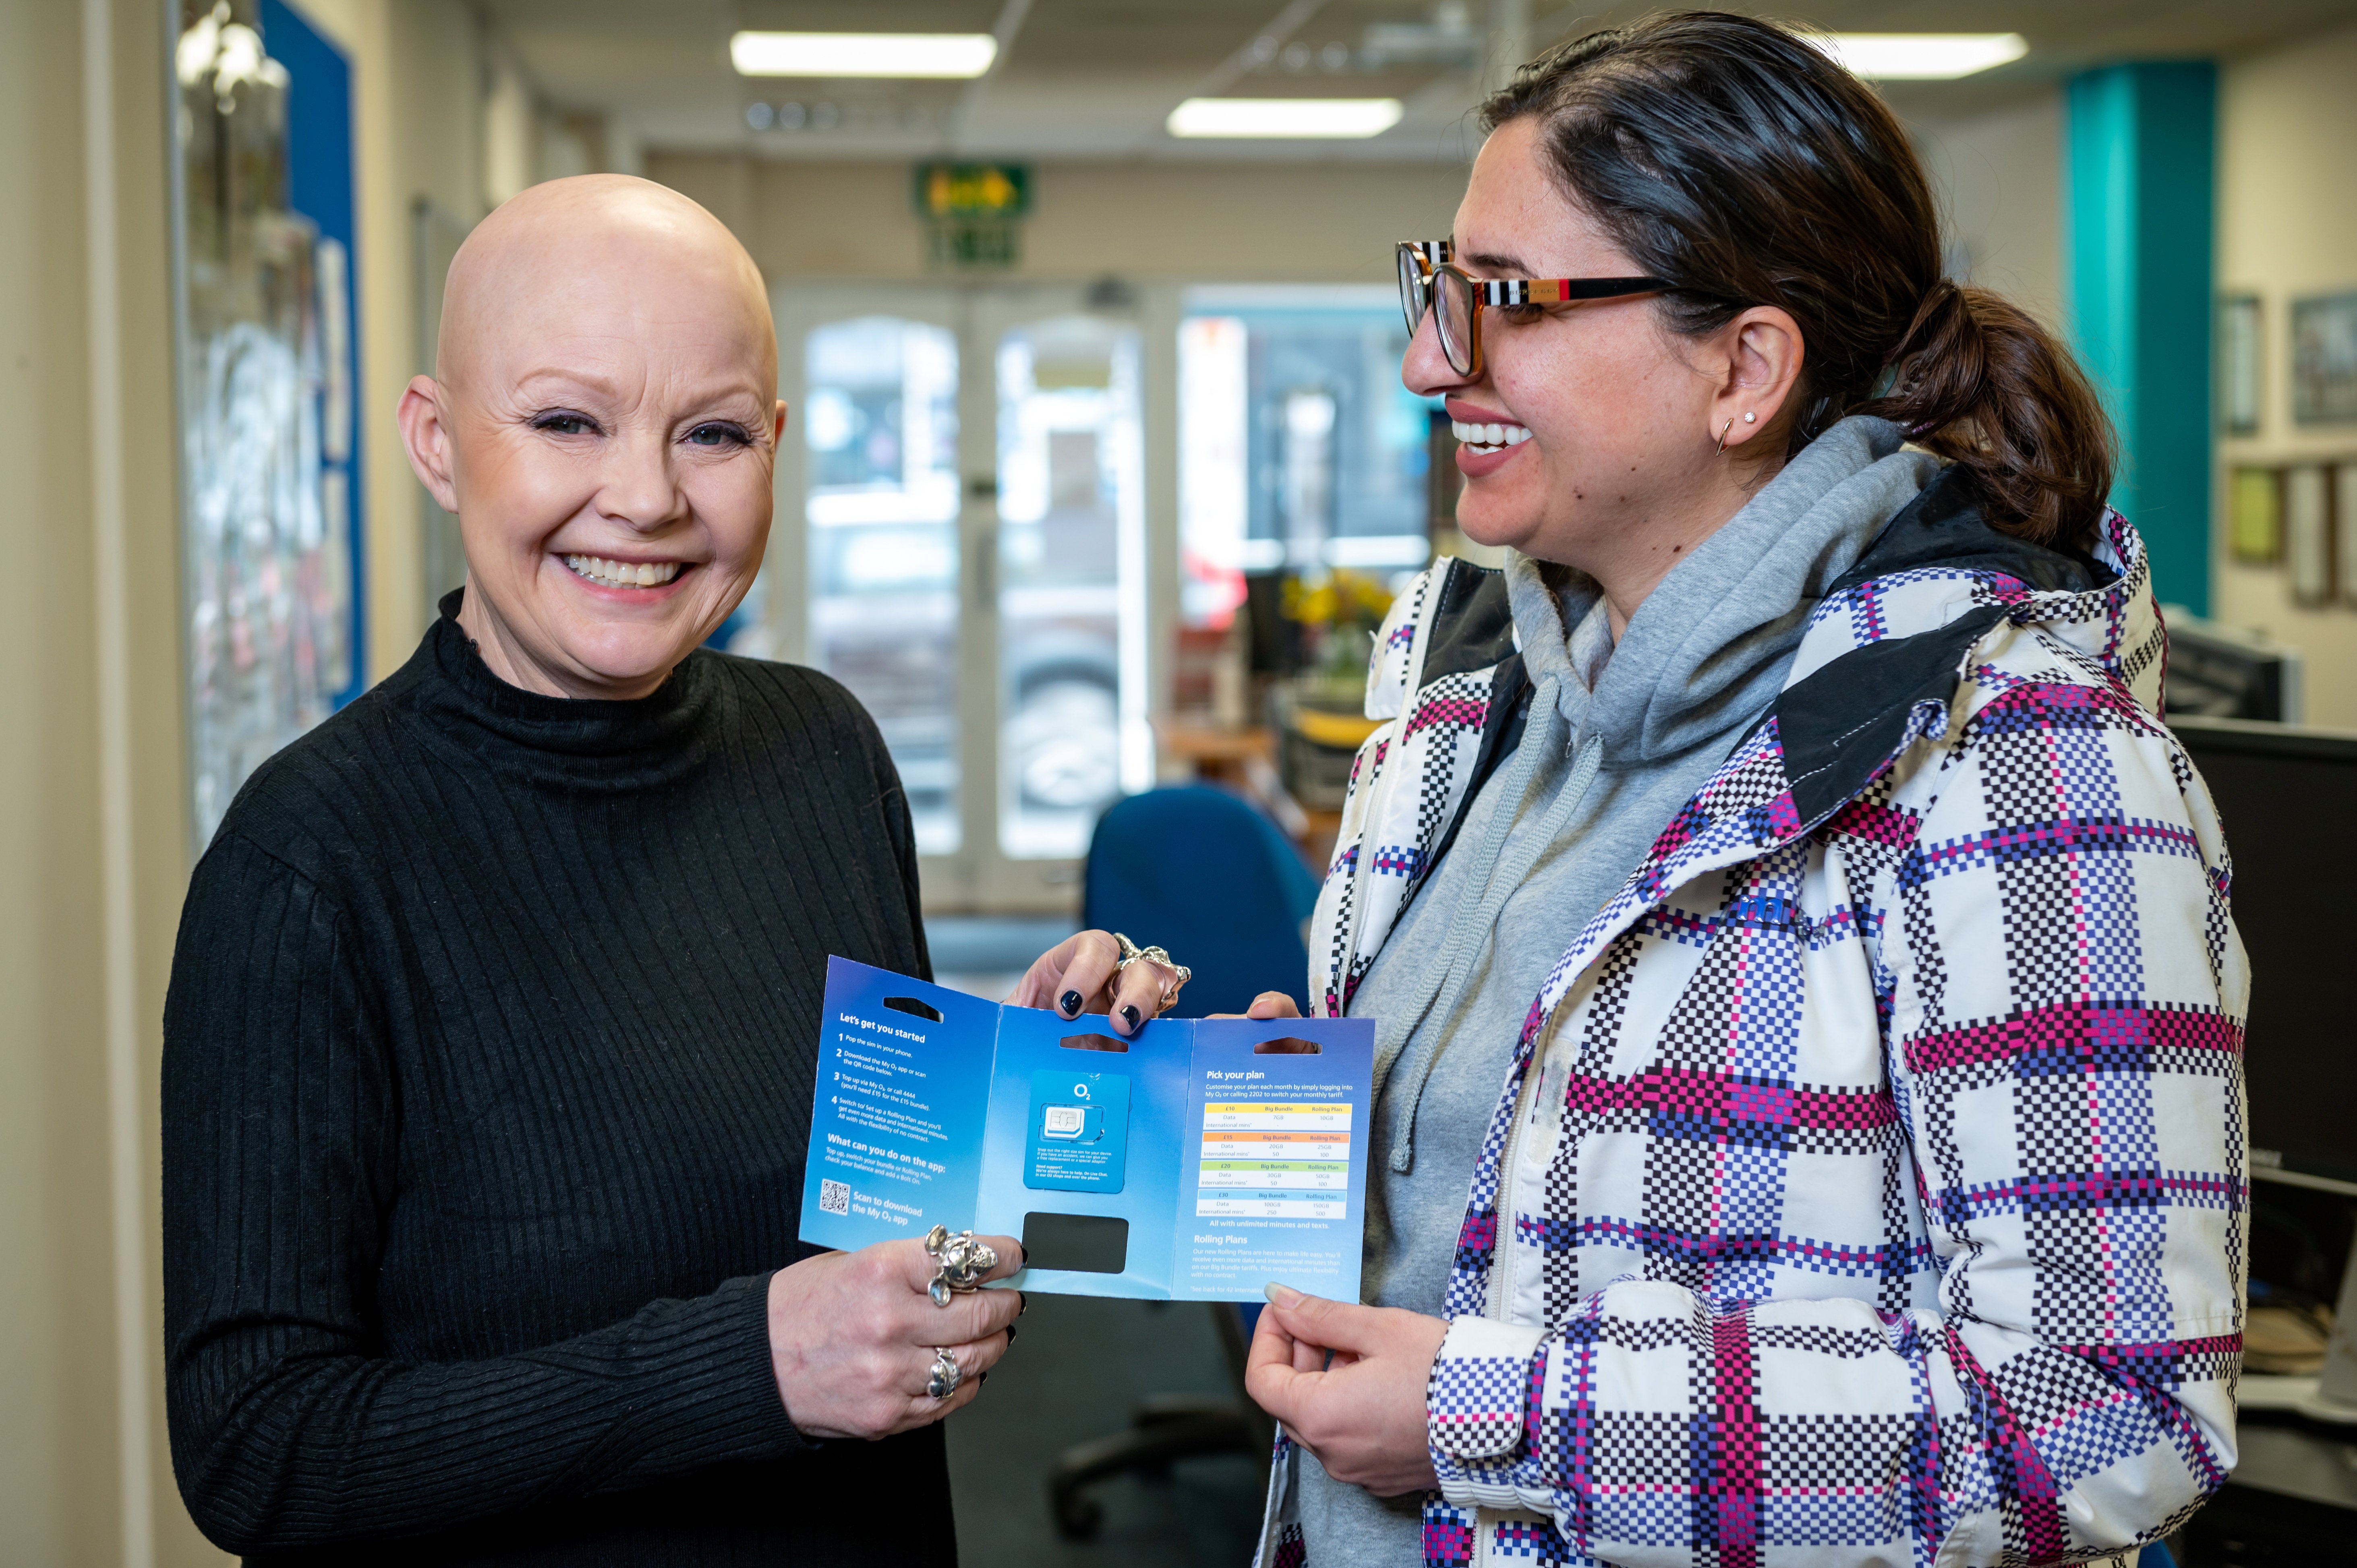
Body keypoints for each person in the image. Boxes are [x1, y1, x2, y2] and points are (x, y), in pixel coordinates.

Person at [1026, 14, 2248, 1567]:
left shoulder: (2013, 764)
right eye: (1436, 288)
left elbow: (2110, 1415)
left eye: (1505, 305)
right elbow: (1471, 1185)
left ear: (1744, 369)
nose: (1428, 361)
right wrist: (1178, 1086)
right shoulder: (1461, 676)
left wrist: (1501, 1414)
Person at [162, 174, 1021, 1566]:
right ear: (438, 445)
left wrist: (1052, 1070)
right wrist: (747, 1367)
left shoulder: (823, 753)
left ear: (778, 445)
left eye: (715, 433)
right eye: (567, 421)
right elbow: (256, 1448)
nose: (647, 498)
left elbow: (890, 1202)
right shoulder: (309, 863)